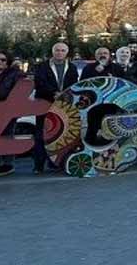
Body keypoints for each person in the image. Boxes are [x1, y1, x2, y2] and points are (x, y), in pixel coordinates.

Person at [32, 42, 79, 174]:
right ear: (53, 52)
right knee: (41, 134)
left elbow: (74, 83)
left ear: (66, 53)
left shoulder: (72, 67)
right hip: (44, 103)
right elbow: (40, 82)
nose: (60, 53)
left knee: (61, 134)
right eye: (57, 50)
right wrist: (55, 93)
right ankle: (39, 165)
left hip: (63, 105)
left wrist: (63, 95)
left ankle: (57, 163)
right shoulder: (41, 66)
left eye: (63, 50)